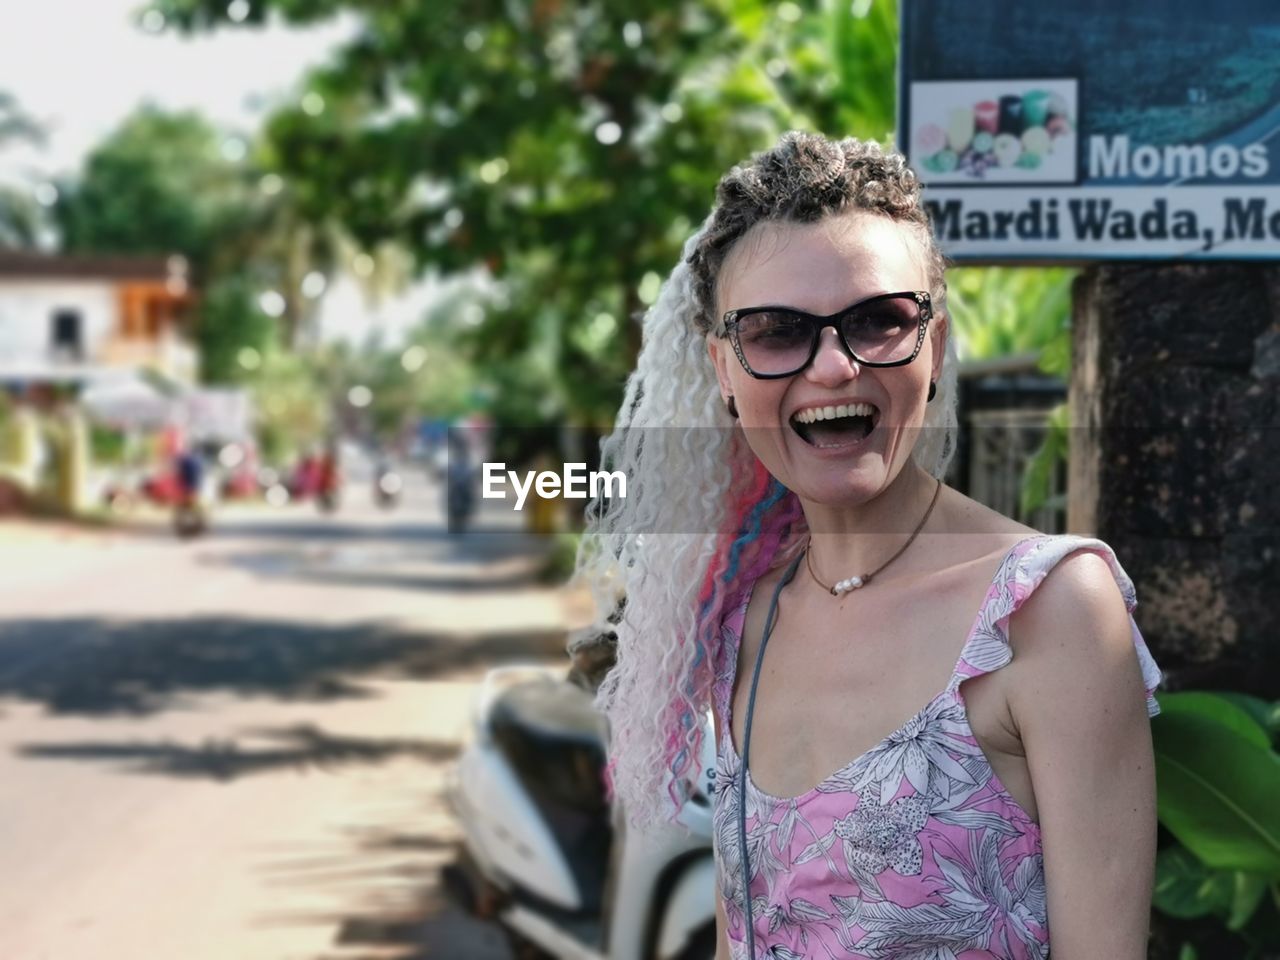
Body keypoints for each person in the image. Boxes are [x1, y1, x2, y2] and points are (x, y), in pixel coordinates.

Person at [577, 132, 1162, 959]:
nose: (834, 368)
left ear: (937, 345)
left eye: (879, 321)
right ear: (723, 368)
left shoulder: (1048, 608)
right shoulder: (744, 611)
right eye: (778, 331)